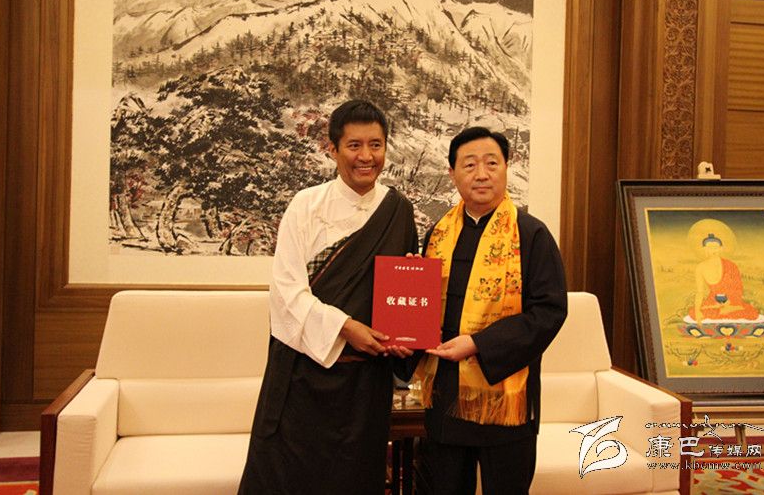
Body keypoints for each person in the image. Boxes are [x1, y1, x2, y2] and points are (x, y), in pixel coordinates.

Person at [237, 99, 418, 495]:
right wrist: (345, 327)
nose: (366, 156)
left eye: (376, 145)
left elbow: (404, 296)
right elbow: (286, 293)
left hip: (365, 387)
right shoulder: (306, 205)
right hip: (302, 379)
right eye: (354, 145)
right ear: (332, 149)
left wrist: (407, 327)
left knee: (355, 481)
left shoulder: (398, 210)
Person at [413, 126, 567, 495]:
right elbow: (424, 305)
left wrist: (479, 344)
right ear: (452, 173)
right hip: (446, 394)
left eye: (491, 163)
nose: (481, 174)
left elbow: (548, 312)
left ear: (506, 167)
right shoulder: (437, 234)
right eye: (469, 165)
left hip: (505, 397)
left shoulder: (531, 234)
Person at [690, 232, 759, 321]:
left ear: (721, 248)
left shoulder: (731, 265)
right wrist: (697, 311)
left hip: (732, 302)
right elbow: (700, 292)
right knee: (694, 312)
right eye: (710, 247)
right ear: (704, 249)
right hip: (713, 301)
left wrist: (729, 303)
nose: (713, 250)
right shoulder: (700, 267)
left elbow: (738, 288)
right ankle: (722, 312)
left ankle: (724, 311)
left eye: (716, 247)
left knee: (751, 312)